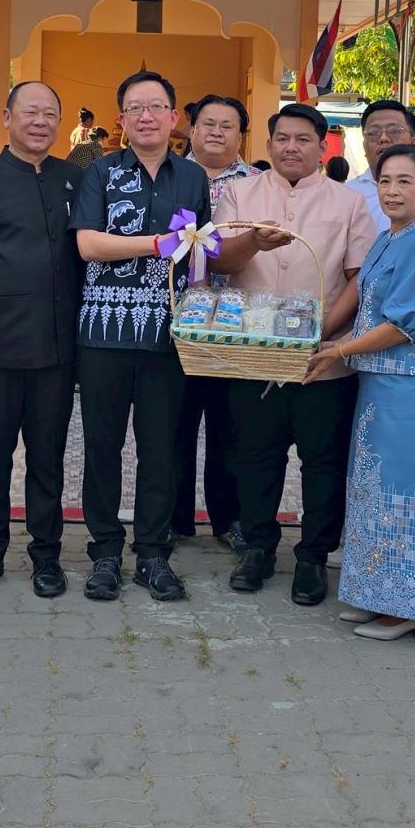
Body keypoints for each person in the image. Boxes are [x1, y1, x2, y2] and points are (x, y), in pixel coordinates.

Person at [213, 104, 374, 606]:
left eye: (303, 139)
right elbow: (218, 260)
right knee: (255, 455)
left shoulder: (349, 203)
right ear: (268, 144)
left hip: (323, 359)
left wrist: (319, 333)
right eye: (282, 138)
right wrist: (252, 244)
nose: (291, 148)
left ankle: (312, 558)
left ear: (322, 147)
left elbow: (359, 278)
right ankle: (258, 548)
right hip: (254, 355)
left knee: (322, 461)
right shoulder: (239, 192)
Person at [71, 70, 210, 603]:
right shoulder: (100, 172)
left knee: (161, 449)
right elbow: (86, 244)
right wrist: (156, 244)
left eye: (156, 106)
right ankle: (105, 549)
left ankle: (152, 553)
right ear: (122, 119)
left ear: (176, 118)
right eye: (135, 107)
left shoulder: (193, 178)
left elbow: (200, 252)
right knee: (101, 447)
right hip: (104, 331)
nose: (146, 115)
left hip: (168, 337)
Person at [312, 144, 415, 639]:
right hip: (379, 381)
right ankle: (376, 594)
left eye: (405, 182)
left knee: (406, 493)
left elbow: (403, 324)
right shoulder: (387, 239)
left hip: (411, 384)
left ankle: (411, 607)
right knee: (374, 488)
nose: (392, 191)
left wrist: (337, 350)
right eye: (385, 181)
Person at [0, 81, 83, 598]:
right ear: (7, 117)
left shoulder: (74, 179)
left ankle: (46, 557)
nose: (41, 122)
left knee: (49, 458)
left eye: (51, 114)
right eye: (30, 112)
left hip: (56, 349)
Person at [172, 92, 254, 546]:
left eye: (228, 125)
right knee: (174, 424)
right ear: (192, 128)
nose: (217, 132)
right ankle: (174, 520)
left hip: (233, 325)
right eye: (208, 123)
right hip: (177, 323)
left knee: (230, 427)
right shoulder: (168, 176)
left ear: (241, 134)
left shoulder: (257, 183)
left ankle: (229, 520)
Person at [350, 99, 415, 235]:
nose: (384, 138)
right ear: (364, 146)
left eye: (394, 131)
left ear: (413, 142)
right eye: (373, 133)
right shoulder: (347, 195)